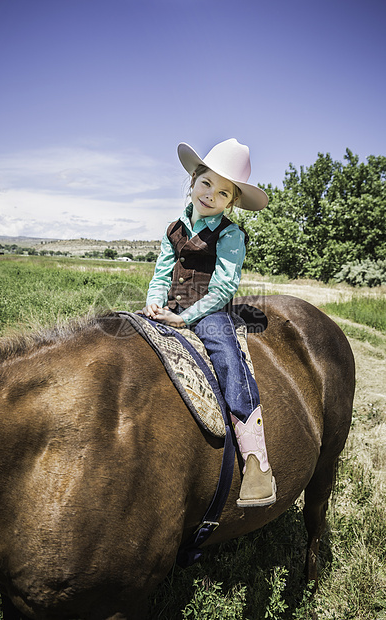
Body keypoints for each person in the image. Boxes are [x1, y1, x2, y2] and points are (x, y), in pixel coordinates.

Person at [141, 138, 276, 508]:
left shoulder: (230, 235)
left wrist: (184, 319)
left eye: (223, 192)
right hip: (169, 305)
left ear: (231, 201)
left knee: (228, 360)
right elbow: (161, 273)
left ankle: (255, 460)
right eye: (206, 183)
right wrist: (154, 303)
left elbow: (224, 286)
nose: (210, 195)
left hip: (207, 310)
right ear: (193, 180)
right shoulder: (174, 229)